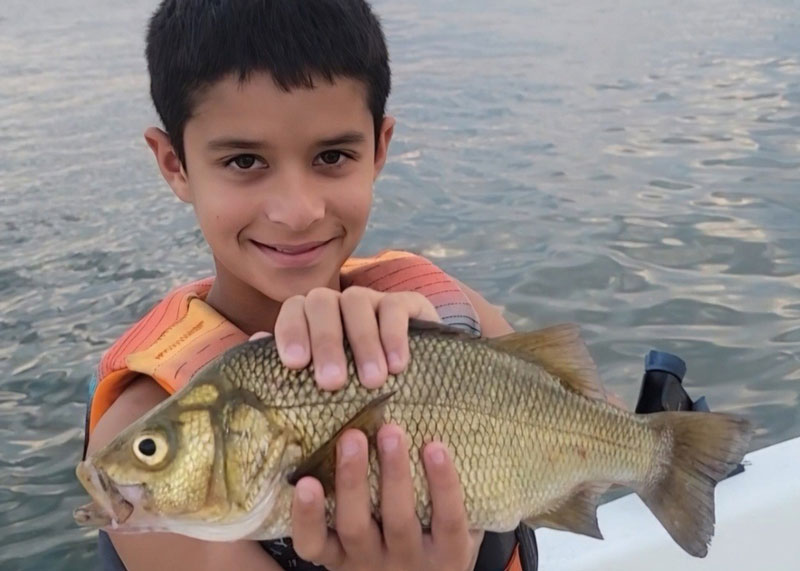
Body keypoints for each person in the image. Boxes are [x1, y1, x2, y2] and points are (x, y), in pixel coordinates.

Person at [81, 1, 601, 569]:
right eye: (245, 161)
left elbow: (594, 425)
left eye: (332, 155)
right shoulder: (140, 427)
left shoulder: (453, 309)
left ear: (379, 148)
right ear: (174, 163)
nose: (297, 211)